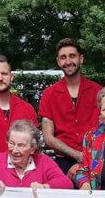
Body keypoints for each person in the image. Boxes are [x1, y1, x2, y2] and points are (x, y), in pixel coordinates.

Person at [39, 38, 101, 177]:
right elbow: (48, 138)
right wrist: (77, 155)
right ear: (58, 61)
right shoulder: (49, 94)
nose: (68, 61)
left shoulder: (98, 92)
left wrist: (87, 157)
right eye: (63, 57)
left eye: (72, 56)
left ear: (81, 58)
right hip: (62, 163)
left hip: (95, 159)